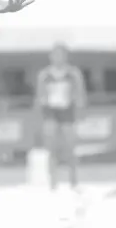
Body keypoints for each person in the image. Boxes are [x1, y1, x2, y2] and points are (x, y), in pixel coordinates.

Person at [35, 43, 87, 190]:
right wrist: (42, 114)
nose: (58, 58)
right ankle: (53, 182)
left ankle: (73, 181)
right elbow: (39, 96)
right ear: (51, 57)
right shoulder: (45, 74)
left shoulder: (73, 73)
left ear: (65, 56)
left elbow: (80, 93)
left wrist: (79, 109)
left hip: (67, 110)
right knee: (52, 148)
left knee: (70, 147)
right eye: (55, 55)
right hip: (51, 110)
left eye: (61, 55)